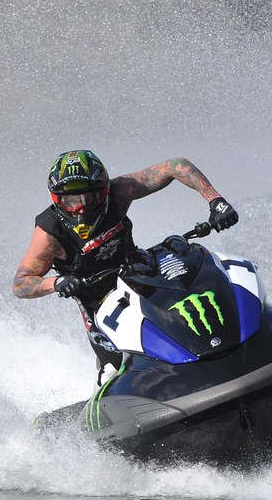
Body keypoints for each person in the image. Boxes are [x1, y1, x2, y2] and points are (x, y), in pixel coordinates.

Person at [13, 149, 239, 383]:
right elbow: (21, 283)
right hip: (100, 307)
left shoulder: (119, 192)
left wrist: (216, 201)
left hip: (140, 278)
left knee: (186, 298)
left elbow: (175, 166)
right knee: (113, 369)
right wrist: (57, 282)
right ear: (56, 199)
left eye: (89, 198)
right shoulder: (49, 234)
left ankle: (225, 345)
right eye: (71, 201)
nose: (81, 208)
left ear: (104, 190)